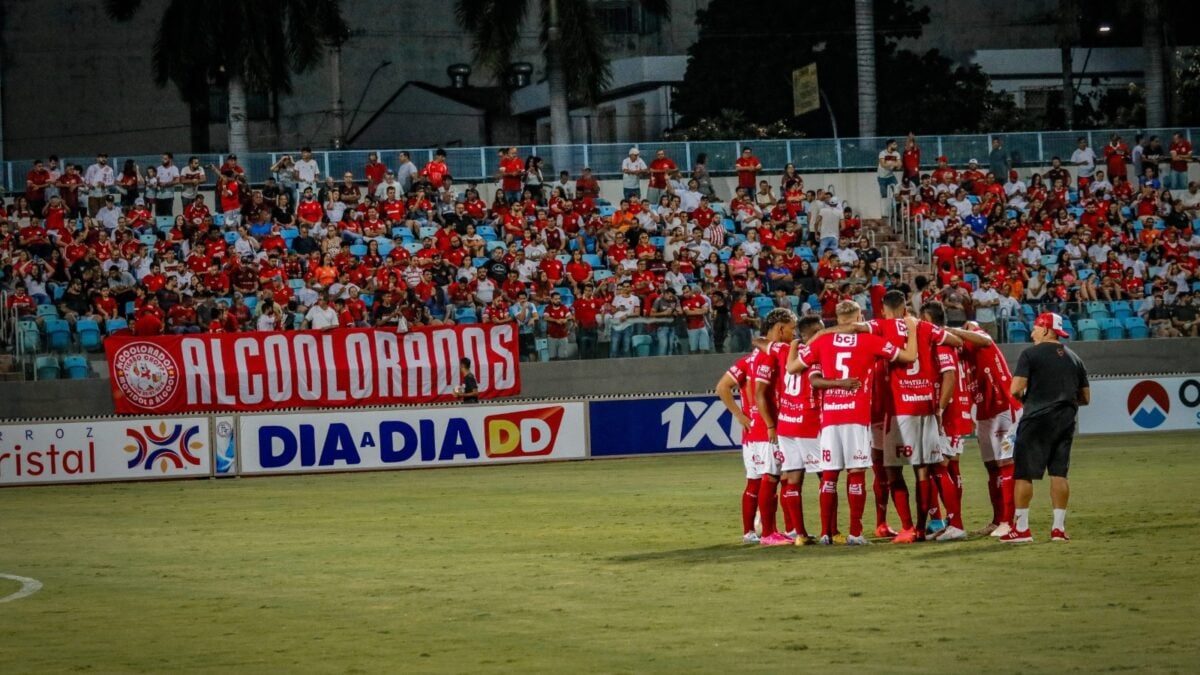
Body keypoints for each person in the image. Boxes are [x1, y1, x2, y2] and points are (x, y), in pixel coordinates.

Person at [789, 301, 919, 545]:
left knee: (829, 475)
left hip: (829, 418)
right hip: (856, 416)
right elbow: (910, 357)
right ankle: (855, 534)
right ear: (860, 316)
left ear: (837, 318)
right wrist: (912, 330)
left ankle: (827, 533)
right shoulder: (870, 341)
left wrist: (800, 343)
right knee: (856, 473)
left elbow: (793, 367)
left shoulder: (821, 341)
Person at [868, 290, 964, 542]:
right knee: (926, 470)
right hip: (927, 408)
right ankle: (924, 528)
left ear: (884, 310)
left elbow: (853, 328)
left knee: (892, 470)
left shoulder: (881, 327)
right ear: (906, 308)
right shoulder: (924, 327)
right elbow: (956, 341)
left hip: (899, 410)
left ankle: (908, 527)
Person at [1001, 312, 1090, 543]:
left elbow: (1015, 388)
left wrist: (1028, 400)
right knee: (1059, 473)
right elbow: (1085, 397)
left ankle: (1021, 529)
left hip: (1036, 419)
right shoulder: (1075, 358)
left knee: (1023, 474)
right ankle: (1058, 529)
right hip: (1066, 420)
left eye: (1035, 328)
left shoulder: (1030, 354)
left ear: (1046, 330)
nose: (1031, 333)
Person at [945, 320, 1023, 538]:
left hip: (1005, 409)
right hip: (984, 413)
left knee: (1006, 464)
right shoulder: (958, 355)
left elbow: (985, 338)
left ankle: (1009, 522)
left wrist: (955, 330)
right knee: (992, 468)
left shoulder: (975, 337)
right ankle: (998, 519)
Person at [715, 344, 765, 544]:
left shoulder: (750, 361)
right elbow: (722, 387)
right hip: (759, 430)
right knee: (767, 481)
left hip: (757, 431)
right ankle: (765, 530)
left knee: (758, 482)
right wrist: (738, 414)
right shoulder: (751, 361)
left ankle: (753, 530)